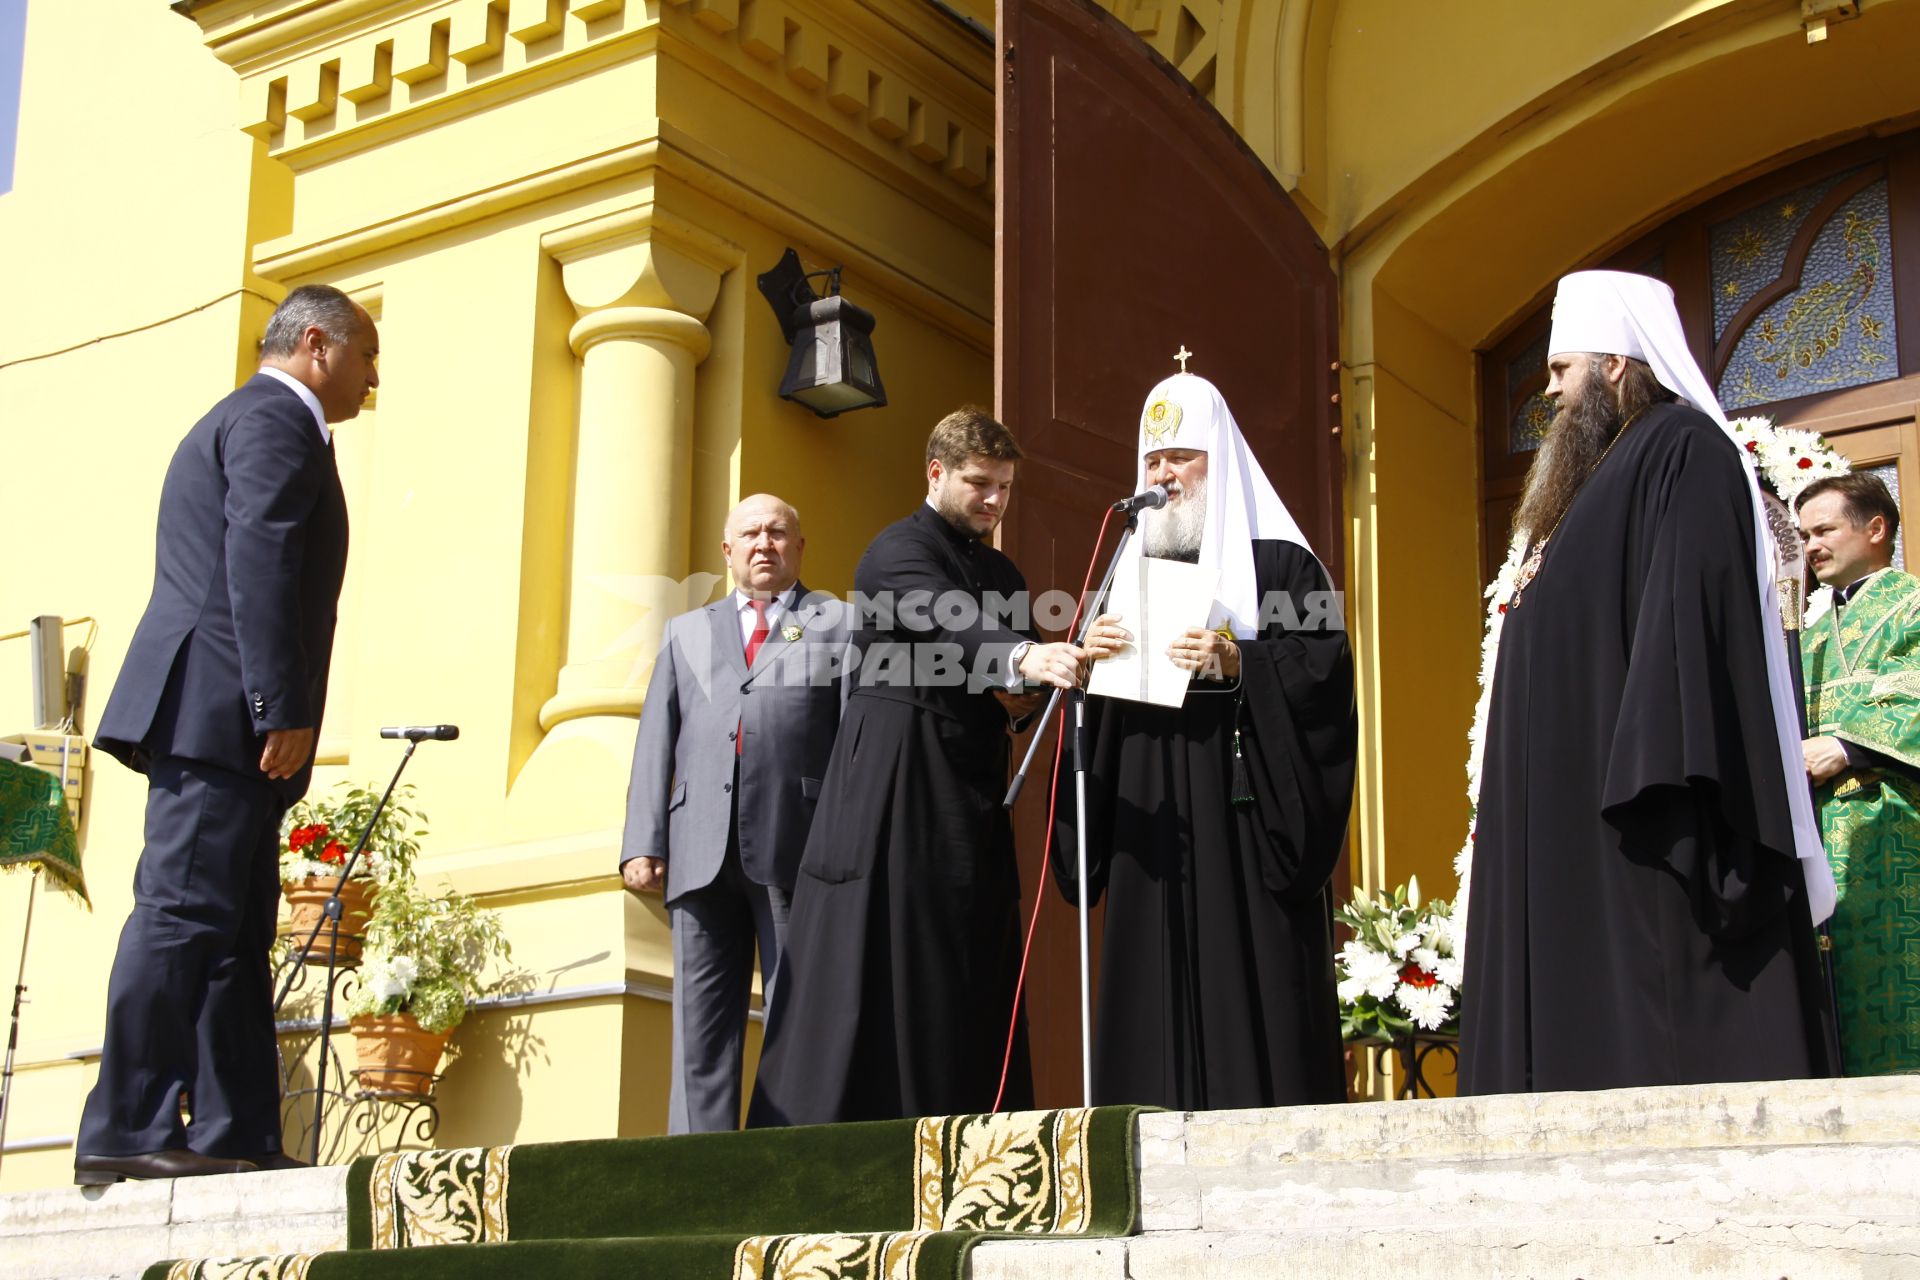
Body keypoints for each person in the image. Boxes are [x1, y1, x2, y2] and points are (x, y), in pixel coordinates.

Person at [1460, 269, 1837, 1095]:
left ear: (1619, 365)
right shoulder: (1595, 477)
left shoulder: (1682, 450)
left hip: (1638, 818)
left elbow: (1689, 628)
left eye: (1563, 370)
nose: (1550, 390)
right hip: (1568, 829)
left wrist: (1655, 780)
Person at [76, 284, 378, 1183]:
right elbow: (260, 553)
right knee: (181, 914)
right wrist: (276, 706)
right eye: (366, 354)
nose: (372, 376)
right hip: (221, 717)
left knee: (236, 929)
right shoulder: (272, 421)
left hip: (221, 717)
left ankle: (234, 1129)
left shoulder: (258, 421)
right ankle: (125, 1126)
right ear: (316, 345)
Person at [747, 407, 1086, 1125]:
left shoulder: (1002, 570)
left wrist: (1066, 664)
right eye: (979, 484)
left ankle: (963, 1122)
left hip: (968, 782)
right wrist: (1024, 656)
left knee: (964, 947)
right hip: (892, 777)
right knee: (883, 948)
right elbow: (946, 617)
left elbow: (1016, 680)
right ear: (936, 473)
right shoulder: (894, 550)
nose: (994, 500)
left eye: (1004, 487)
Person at [1057, 372, 1357, 1110]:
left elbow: (1322, 676)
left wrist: (1237, 660)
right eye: (1152, 462)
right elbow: (1097, 717)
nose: (1163, 477)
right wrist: (1089, 659)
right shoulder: (1126, 568)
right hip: (1152, 823)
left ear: (1216, 460)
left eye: (1180, 458)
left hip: (1244, 819)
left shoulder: (1283, 563)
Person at [620, 494, 851, 1132]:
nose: (764, 544)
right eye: (749, 533)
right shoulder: (685, 632)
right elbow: (655, 740)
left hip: (796, 845)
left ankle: (786, 1152)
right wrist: (644, 840)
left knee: (795, 1013)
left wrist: (849, 840)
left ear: (800, 546)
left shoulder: (837, 623)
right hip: (698, 848)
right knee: (699, 1022)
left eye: (778, 532)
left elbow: (853, 741)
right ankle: (699, 1171)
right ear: (728, 551)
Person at [1798, 472, 1920, 1074]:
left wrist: (1847, 746)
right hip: (1817, 840)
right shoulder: (1810, 636)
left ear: (1876, 529)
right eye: (1803, 535)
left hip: (1896, 834)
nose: (1811, 546)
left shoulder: (1914, 604)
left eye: (1824, 530)